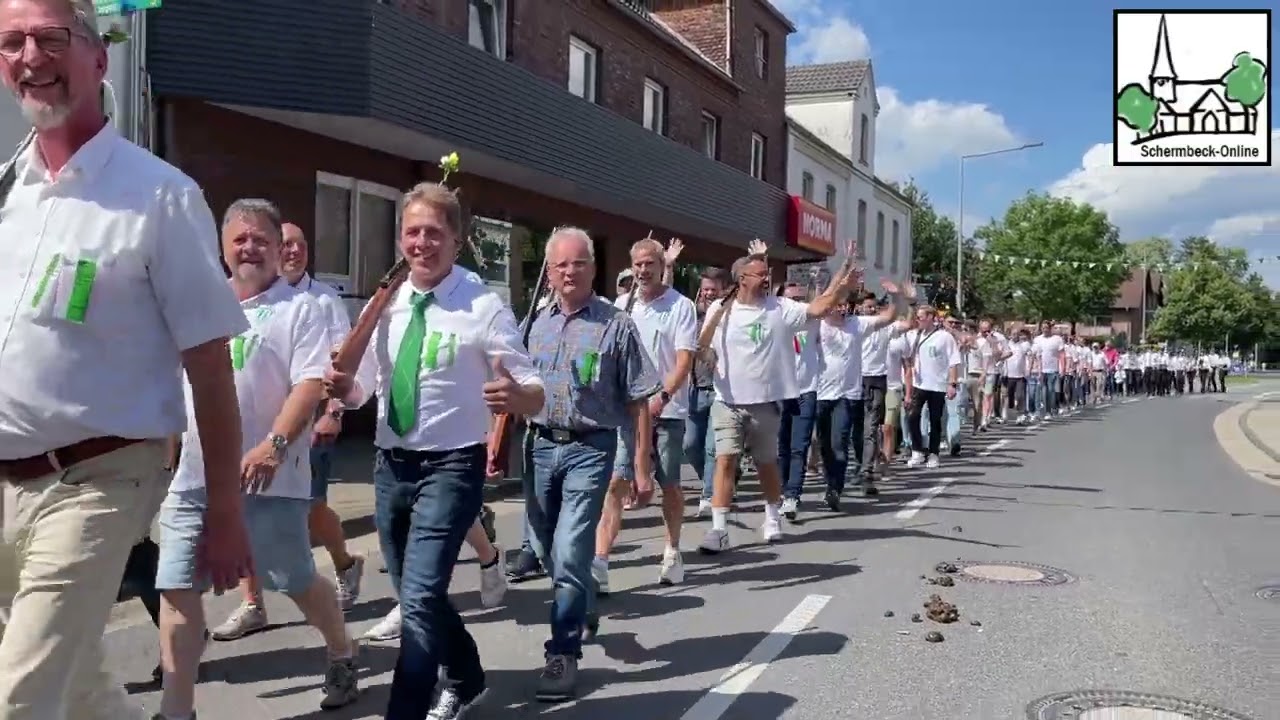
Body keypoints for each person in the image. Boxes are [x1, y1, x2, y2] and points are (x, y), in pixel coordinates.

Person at [0, 0, 254, 716]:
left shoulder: (160, 197)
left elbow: (210, 367)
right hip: (5, 483)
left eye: (51, 39)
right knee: (75, 683)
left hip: (100, 479)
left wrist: (225, 511)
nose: (30, 57)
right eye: (11, 41)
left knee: (20, 697)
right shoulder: (4, 195)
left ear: (98, 58)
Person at [327, 182, 544, 720]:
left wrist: (516, 397)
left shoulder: (481, 304)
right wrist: (344, 390)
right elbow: (367, 387)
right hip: (390, 464)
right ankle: (467, 675)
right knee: (410, 588)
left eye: (433, 232)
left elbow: (534, 390)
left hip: (451, 465)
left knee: (419, 599)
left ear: (457, 239)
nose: (421, 243)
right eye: (412, 232)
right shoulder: (389, 301)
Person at [156, 200, 361, 717]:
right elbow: (175, 386)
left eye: (261, 239)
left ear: (278, 246)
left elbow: (311, 383)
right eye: (240, 238)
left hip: (269, 475)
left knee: (292, 578)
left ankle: (341, 648)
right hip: (196, 476)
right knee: (177, 585)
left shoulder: (302, 308)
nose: (250, 248)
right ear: (224, 248)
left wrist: (274, 444)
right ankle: (177, 708)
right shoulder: (202, 306)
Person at [522, 226, 659, 701]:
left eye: (578, 263)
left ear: (593, 268)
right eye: (560, 264)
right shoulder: (534, 324)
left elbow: (640, 399)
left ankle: (562, 652)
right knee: (543, 547)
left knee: (570, 547)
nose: (569, 272)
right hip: (538, 446)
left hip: (589, 448)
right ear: (549, 271)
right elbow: (513, 385)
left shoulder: (616, 325)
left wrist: (641, 467)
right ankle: (580, 605)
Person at [696, 242, 861, 553]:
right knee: (725, 460)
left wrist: (842, 278)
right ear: (741, 278)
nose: (765, 278)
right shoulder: (720, 310)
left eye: (766, 273)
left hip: (766, 403)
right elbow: (703, 346)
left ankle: (772, 517)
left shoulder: (780, 309)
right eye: (758, 274)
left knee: (766, 463)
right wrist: (708, 356)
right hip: (727, 401)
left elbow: (820, 307)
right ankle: (718, 529)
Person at [595, 237, 698, 590]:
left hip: (668, 411)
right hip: (627, 413)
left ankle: (672, 550)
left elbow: (685, 359)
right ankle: (601, 564)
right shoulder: (622, 306)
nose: (642, 270)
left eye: (649, 264)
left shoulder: (680, 306)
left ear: (660, 265)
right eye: (637, 264)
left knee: (668, 482)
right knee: (616, 483)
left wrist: (662, 397)